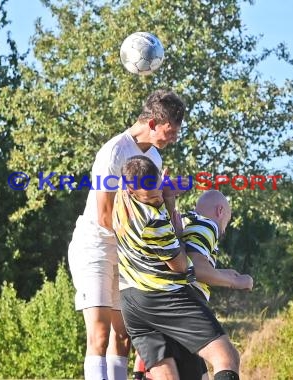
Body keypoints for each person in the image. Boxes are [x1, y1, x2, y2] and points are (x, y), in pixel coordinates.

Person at [67, 89, 186, 380]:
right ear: (153, 124)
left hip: (127, 250)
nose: (174, 138)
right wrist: (140, 247)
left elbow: (151, 211)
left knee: (123, 335)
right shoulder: (114, 152)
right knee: (99, 333)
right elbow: (106, 216)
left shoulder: (154, 159)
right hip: (96, 246)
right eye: (171, 131)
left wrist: (168, 198)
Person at [113, 155, 242, 380]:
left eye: (157, 193)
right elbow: (181, 266)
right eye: (151, 198)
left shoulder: (121, 198)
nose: (156, 200)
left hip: (131, 303)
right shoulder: (154, 222)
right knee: (226, 357)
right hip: (163, 295)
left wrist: (169, 198)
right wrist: (230, 278)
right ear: (132, 191)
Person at [131, 190, 254, 380]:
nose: (224, 229)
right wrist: (236, 281)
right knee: (227, 357)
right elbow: (196, 267)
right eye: (227, 223)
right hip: (181, 303)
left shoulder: (185, 223)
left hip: (143, 298)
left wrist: (225, 273)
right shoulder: (207, 225)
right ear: (220, 211)